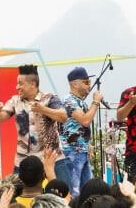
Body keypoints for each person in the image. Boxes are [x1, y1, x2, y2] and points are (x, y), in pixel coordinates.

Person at [0, 64, 70, 186]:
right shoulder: (15, 101)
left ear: (33, 84)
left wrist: (43, 110)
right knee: (15, 194)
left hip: (51, 158)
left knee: (63, 193)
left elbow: (63, 116)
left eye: (21, 83)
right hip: (23, 159)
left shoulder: (49, 98)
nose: (17, 87)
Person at [60, 67, 103, 197]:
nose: (89, 84)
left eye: (89, 82)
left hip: (81, 151)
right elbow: (85, 120)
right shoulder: (69, 100)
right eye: (86, 82)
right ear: (75, 83)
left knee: (87, 191)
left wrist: (87, 143)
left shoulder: (80, 102)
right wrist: (95, 102)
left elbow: (80, 127)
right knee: (75, 192)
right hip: (72, 152)